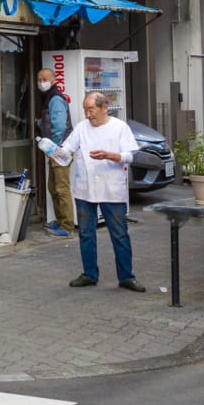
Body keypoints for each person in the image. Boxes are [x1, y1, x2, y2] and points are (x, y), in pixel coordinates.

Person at [53, 91, 145, 292]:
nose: (88, 114)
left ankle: (126, 276)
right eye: (85, 110)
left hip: (111, 189)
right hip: (85, 189)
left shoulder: (119, 127)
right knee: (86, 234)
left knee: (119, 234)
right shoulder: (81, 128)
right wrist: (55, 153)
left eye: (91, 109)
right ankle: (89, 274)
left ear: (105, 108)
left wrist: (111, 155)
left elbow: (131, 155)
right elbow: (67, 150)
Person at [36, 67, 74, 238]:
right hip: (54, 150)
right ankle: (60, 221)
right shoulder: (48, 98)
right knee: (53, 188)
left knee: (61, 188)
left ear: (54, 80)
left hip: (59, 151)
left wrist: (53, 148)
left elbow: (59, 126)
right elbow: (49, 121)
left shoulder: (55, 99)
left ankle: (67, 226)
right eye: (39, 79)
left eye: (44, 79)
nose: (41, 82)